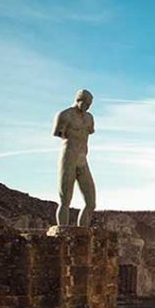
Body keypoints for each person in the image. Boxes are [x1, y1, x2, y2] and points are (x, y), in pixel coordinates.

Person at [53, 89, 96, 227]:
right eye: (86, 103)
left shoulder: (89, 118)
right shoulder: (65, 115)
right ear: (78, 100)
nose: (88, 106)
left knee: (91, 202)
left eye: (90, 104)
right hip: (68, 159)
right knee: (65, 199)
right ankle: (62, 234)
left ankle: (82, 233)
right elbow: (59, 133)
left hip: (82, 160)